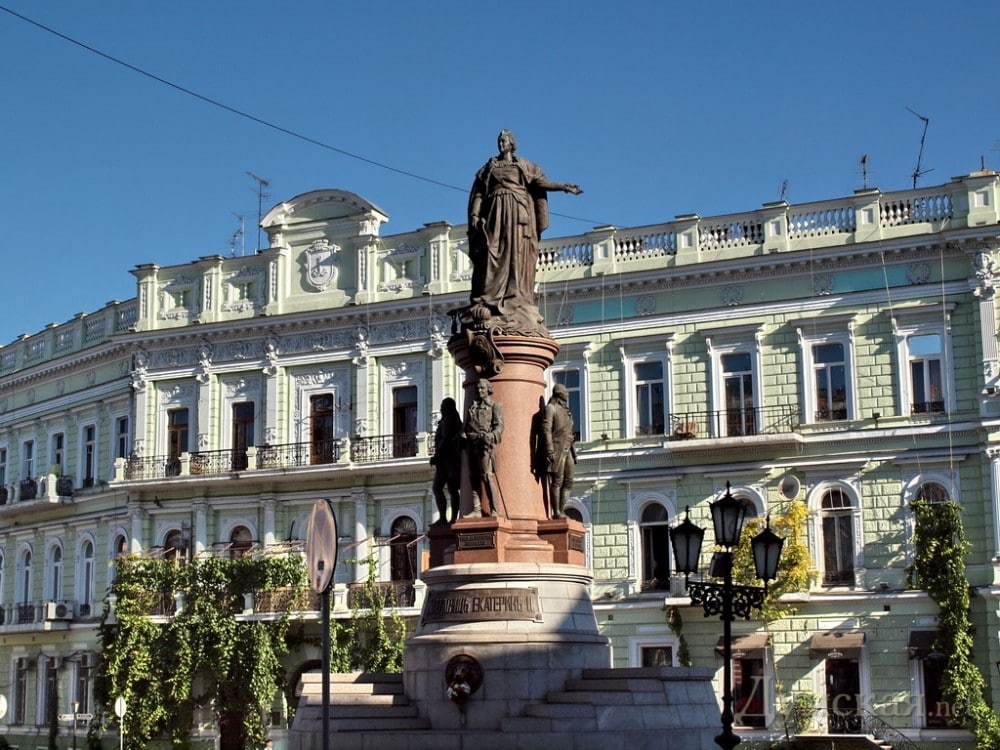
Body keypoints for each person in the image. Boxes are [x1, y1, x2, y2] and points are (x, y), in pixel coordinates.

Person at [467, 130, 582, 329]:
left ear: (512, 144)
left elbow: (541, 182)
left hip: (517, 213)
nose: (501, 144)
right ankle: (491, 297)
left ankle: (515, 295)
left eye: (504, 141)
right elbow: (479, 193)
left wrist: (563, 187)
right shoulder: (489, 167)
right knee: (492, 251)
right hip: (494, 213)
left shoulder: (523, 165)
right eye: (499, 141)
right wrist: (475, 215)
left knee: (516, 253)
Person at [463, 380, 504, 517]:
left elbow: (499, 426)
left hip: (484, 446)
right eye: (478, 388)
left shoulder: (495, 406)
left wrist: (491, 436)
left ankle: (494, 509)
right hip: (472, 443)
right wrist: (463, 434)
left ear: (488, 389)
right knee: (473, 476)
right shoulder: (473, 407)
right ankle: (477, 510)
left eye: (482, 388)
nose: (479, 390)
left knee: (487, 476)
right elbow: (466, 426)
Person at [540, 384, 576, 518]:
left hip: (568, 448)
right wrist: (549, 449)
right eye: (566, 391)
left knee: (569, 480)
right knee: (557, 481)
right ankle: (556, 512)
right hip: (557, 448)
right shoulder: (551, 408)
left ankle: (562, 509)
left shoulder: (565, 410)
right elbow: (546, 429)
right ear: (559, 393)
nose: (568, 393)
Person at [430, 397, 463, 524]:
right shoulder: (453, 419)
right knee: (451, 490)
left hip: (448, 461)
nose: (441, 409)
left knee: (439, 488)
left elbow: (445, 439)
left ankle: (445, 517)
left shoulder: (448, 420)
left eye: (443, 407)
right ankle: (451, 518)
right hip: (451, 460)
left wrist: (436, 456)